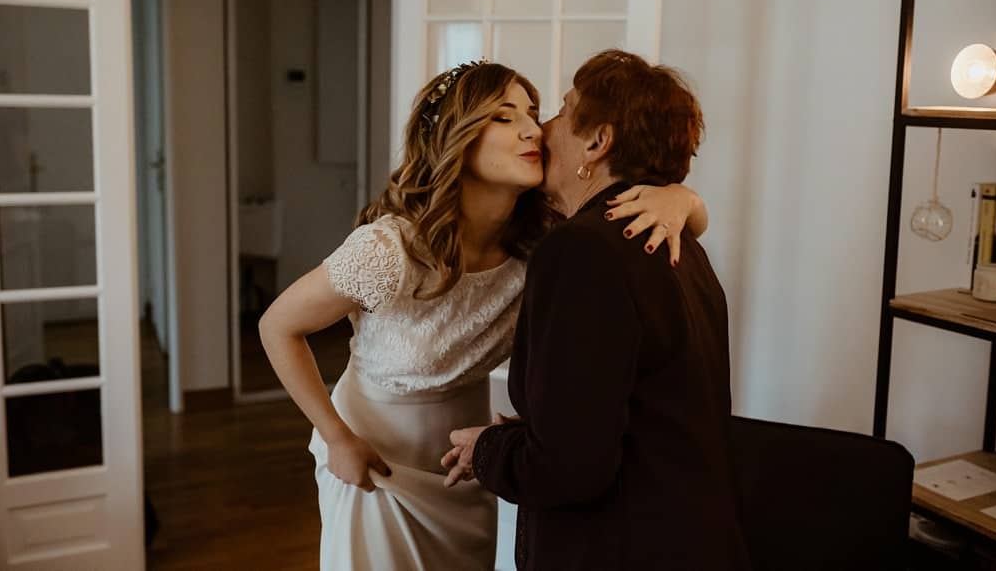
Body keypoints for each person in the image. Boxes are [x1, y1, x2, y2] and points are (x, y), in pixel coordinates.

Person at [258, 60, 709, 570]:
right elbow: (277, 325)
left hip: (465, 466)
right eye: (502, 116)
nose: (531, 128)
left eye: (534, 111)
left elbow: (681, 219)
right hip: (374, 462)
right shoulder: (391, 249)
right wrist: (337, 438)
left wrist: (679, 197)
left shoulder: (548, 243)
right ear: (458, 137)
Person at [445, 50, 750, 570]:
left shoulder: (582, 250)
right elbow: (634, 409)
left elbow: (568, 469)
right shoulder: (677, 241)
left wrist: (490, 450)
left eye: (562, 111)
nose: (543, 127)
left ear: (597, 141)